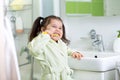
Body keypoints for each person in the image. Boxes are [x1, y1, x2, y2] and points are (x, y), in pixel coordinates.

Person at [27, 15, 83, 80]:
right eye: (54, 26)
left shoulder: (60, 43)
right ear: (43, 29)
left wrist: (73, 52)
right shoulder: (42, 42)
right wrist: (45, 35)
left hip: (65, 77)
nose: (57, 30)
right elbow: (34, 50)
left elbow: (66, 50)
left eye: (60, 28)